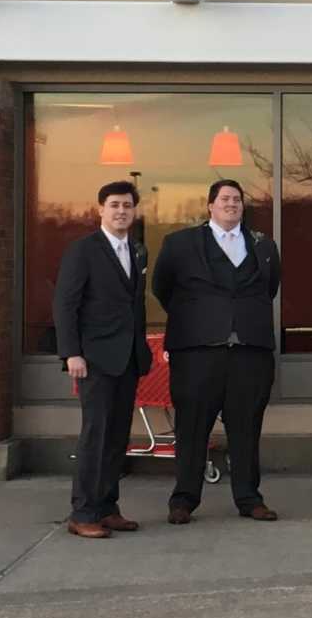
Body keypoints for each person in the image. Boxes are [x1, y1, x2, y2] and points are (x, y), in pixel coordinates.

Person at [152, 179, 282, 525]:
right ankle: (183, 500)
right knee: (192, 428)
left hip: (249, 354)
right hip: (197, 354)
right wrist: (202, 319)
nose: (231, 204)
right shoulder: (180, 244)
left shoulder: (264, 246)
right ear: (210, 206)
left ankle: (249, 498)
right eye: (224, 199)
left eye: (237, 199)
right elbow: (162, 287)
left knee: (247, 429)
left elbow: (268, 288)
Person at [54, 181, 153, 539]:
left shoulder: (137, 252)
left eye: (127, 205)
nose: (121, 211)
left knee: (116, 437)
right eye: (114, 205)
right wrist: (71, 353)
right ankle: (83, 512)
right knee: (95, 436)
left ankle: (108, 507)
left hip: (127, 359)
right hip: (94, 359)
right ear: (100, 209)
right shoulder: (83, 251)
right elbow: (66, 303)